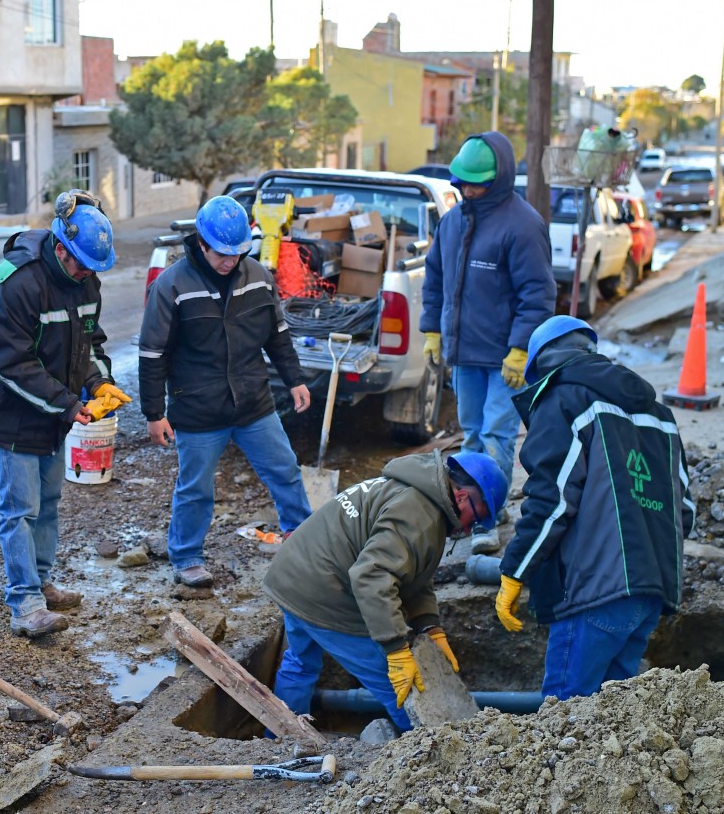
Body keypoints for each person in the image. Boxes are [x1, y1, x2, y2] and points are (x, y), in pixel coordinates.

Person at [494, 316, 693, 699]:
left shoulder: (563, 400)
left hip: (594, 592)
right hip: (652, 593)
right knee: (609, 725)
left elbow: (552, 501)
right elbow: (684, 511)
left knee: (563, 722)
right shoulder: (662, 417)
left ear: (542, 368)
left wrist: (514, 571)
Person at [0, 191, 131, 638]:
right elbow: (11, 364)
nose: (86, 276)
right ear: (61, 247)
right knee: (20, 508)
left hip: (57, 412)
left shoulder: (87, 278)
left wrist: (100, 383)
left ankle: (41, 580)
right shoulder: (11, 284)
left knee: (48, 501)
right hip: (12, 414)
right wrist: (69, 404)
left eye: (93, 269)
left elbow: (91, 341)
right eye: (80, 265)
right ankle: (24, 602)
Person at [139, 195, 313, 588]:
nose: (230, 262)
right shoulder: (172, 285)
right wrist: (154, 413)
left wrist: (295, 378)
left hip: (254, 404)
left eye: (237, 253)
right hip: (198, 410)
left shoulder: (257, 276)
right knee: (195, 487)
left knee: (285, 471)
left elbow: (277, 335)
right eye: (221, 254)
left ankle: (303, 541)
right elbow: (152, 354)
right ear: (201, 243)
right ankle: (186, 557)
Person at [264, 451, 506, 731]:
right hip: (325, 591)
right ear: (463, 497)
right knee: (403, 685)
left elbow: (411, 571)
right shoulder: (421, 516)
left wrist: (429, 625)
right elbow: (372, 576)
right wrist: (395, 648)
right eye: (476, 518)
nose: (468, 529)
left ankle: (284, 743)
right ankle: (433, 751)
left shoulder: (418, 486)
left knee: (301, 663)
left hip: (293, 574)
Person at [421, 131, 556, 555]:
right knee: (471, 433)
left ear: (497, 179)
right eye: (462, 182)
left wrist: (520, 349)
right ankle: (474, 506)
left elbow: (538, 294)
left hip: (504, 360)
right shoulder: (453, 221)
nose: (466, 189)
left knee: (497, 436)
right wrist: (433, 330)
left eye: (475, 183)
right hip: (465, 355)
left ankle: (487, 516)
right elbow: (436, 279)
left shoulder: (522, 225)